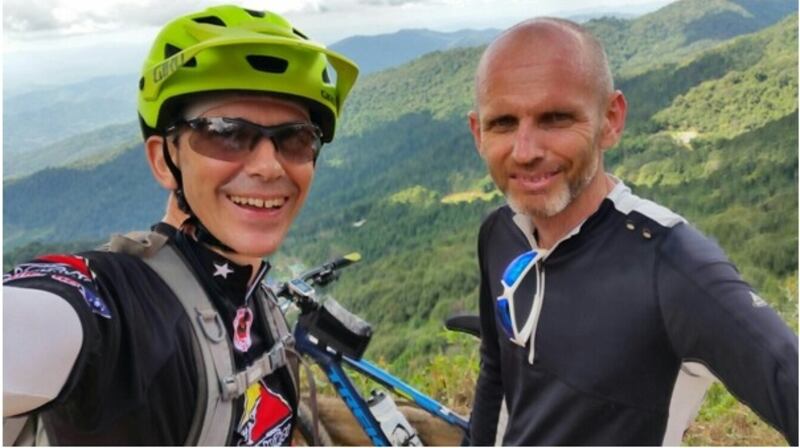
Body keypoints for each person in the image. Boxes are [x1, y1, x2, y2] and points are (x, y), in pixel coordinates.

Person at [3, 5, 358, 445]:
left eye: (297, 138)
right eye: (227, 133)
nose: (269, 166)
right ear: (163, 159)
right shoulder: (121, 304)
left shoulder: (255, 299)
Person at [467, 17, 797, 446]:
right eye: (503, 123)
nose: (525, 151)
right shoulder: (500, 233)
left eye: (556, 118)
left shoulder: (672, 267)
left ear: (610, 119)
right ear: (478, 133)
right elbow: (496, 371)